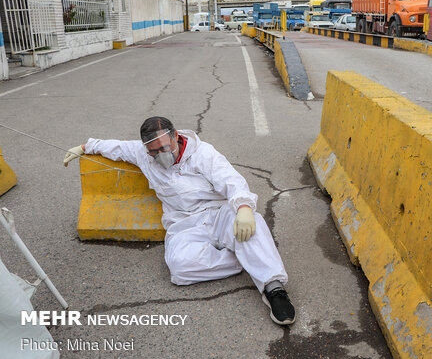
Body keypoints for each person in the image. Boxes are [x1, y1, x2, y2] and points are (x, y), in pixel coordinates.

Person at [63, 116, 295, 325]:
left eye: (164, 147)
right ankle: (245, 257)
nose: (159, 155)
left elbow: (231, 180)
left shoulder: (203, 153)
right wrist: (85, 147)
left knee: (251, 222)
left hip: (217, 212)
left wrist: (243, 207)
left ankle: (273, 287)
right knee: (180, 269)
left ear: (175, 137)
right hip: (184, 224)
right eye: (153, 151)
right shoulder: (143, 154)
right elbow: (115, 147)